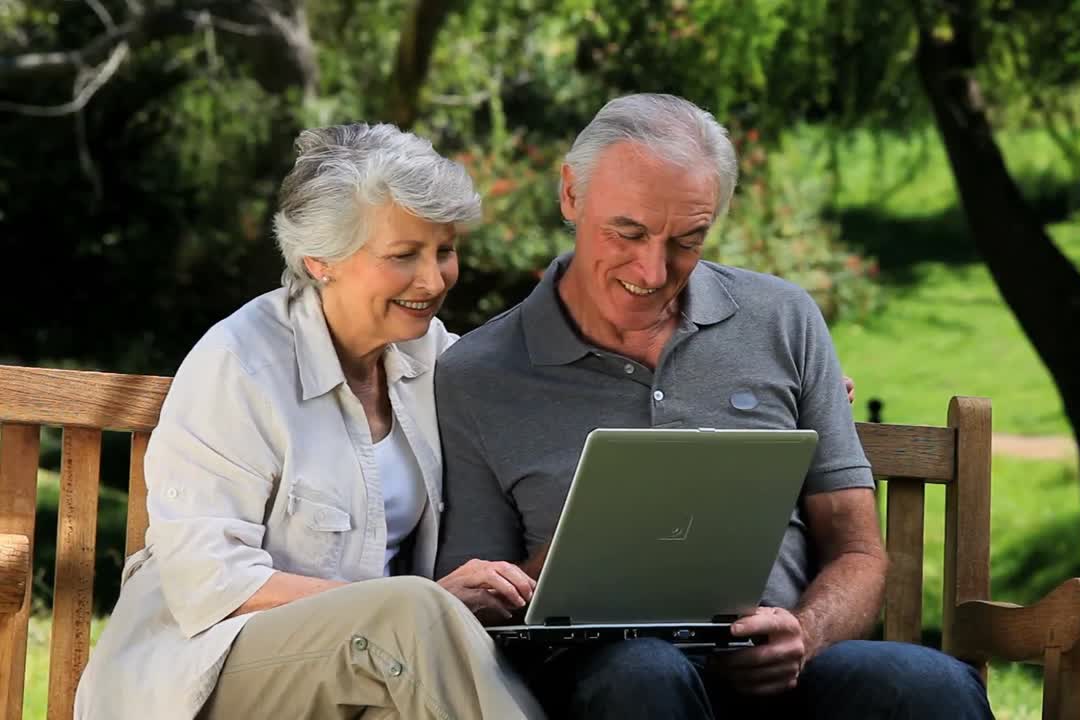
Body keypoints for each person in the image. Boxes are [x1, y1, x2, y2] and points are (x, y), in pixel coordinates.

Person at [434, 94, 995, 719]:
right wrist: (573, 560)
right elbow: (476, 609)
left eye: (687, 240)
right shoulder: (478, 375)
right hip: (609, 682)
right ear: (571, 194)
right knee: (643, 673)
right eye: (628, 232)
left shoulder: (783, 319)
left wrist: (804, 635)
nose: (653, 271)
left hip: (783, 671)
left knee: (929, 684)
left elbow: (859, 553)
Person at [75, 124, 544, 720]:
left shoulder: (434, 358)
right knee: (408, 614)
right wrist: (415, 603)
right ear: (320, 260)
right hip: (202, 669)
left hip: (369, 670)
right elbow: (210, 579)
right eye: (404, 255)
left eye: (444, 251)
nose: (433, 280)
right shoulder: (240, 364)